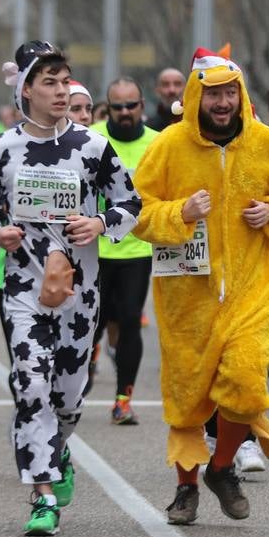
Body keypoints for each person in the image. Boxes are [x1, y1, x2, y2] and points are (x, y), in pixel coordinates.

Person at [133, 47, 269, 525]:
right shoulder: (168, 146)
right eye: (213, 95)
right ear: (195, 97)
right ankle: (186, 487)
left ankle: (222, 466)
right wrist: (179, 214)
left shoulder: (265, 142)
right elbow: (138, 212)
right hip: (187, 292)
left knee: (248, 383)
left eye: (230, 92)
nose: (223, 102)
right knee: (188, 396)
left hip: (252, 287)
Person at [0, 41, 140, 536]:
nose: (60, 90)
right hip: (23, 288)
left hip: (81, 292)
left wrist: (98, 223)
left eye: (65, 80)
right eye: (48, 81)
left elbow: (130, 205)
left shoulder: (93, 147)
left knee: (69, 397)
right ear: (25, 89)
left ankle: (58, 448)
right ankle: (42, 492)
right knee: (29, 383)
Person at [89, 77, 159, 424]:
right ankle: (87, 360)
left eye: (131, 105)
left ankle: (122, 399)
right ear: (108, 107)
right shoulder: (91, 138)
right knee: (95, 322)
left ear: (142, 105)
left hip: (137, 249)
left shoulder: (157, 143)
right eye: (118, 106)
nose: (125, 112)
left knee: (130, 320)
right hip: (94, 248)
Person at [145, 66, 186, 131]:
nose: (172, 90)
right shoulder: (148, 128)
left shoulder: (197, 125)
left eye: (177, 84)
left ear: (186, 89)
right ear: (157, 90)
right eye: (165, 84)